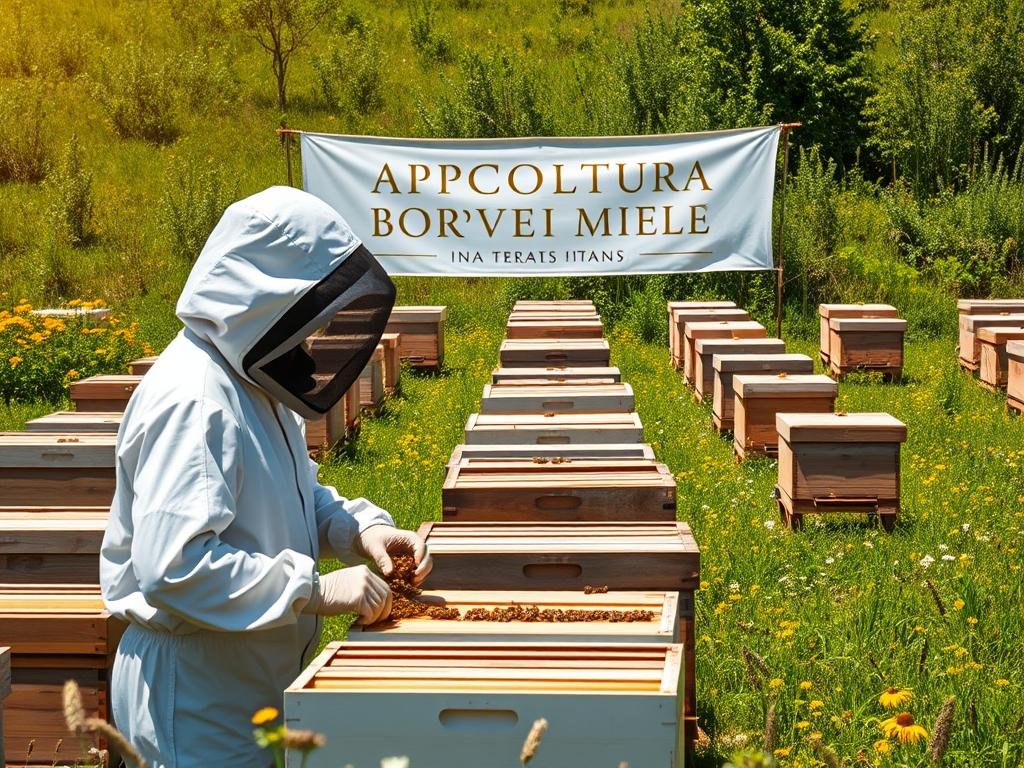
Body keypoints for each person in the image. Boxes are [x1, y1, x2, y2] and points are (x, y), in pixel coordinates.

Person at [100, 186, 431, 767]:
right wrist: (315, 590)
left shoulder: (253, 384)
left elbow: (295, 491)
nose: (314, 336)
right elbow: (174, 566)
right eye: (310, 313)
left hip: (237, 683)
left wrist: (357, 532)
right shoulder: (196, 400)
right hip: (194, 698)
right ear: (265, 299)